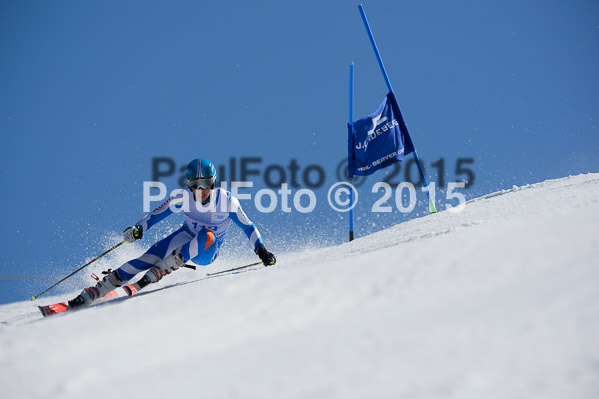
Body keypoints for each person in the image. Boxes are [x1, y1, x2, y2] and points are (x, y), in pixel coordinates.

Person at [68, 158, 276, 308]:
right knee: (147, 258)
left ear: (214, 182)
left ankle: (165, 268)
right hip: (184, 237)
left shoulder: (227, 201)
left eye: (206, 184)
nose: (202, 190)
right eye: (196, 185)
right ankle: (98, 289)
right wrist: (138, 229)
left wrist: (262, 250)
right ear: (189, 185)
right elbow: (155, 215)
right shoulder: (182, 197)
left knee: (208, 235)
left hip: (205, 250)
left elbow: (248, 226)